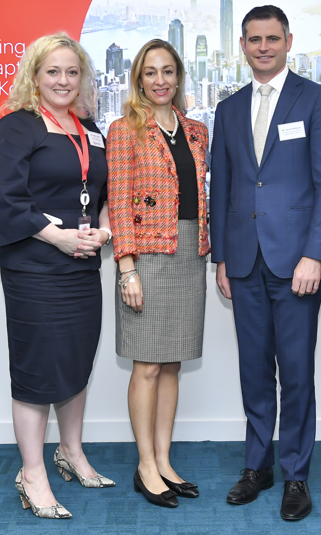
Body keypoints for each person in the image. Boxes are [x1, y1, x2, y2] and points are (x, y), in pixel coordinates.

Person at [209, 6, 321, 521]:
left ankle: (296, 474)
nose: (263, 47)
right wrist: (221, 257)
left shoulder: (317, 100)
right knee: (252, 371)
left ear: (289, 41)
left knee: (295, 372)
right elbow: (222, 189)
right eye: (253, 40)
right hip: (243, 260)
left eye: (272, 38)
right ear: (241, 45)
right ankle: (256, 466)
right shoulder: (229, 108)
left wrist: (316, 253)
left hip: (297, 263)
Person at [0, 32, 116, 520]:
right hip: (35, 268)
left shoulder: (87, 126)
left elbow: (101, 188)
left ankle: (72, 452)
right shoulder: (18, 127)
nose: (63, 80)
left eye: (72, 71)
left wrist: (102, 229)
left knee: (77, 361)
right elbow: (7, 198)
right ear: (34, 76)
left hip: (82, 265)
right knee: (38, 370)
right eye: (53, 72)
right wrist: (58, 237)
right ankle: (32, 472)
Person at [106, 39, 210, 509]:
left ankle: (165, 461)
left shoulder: (195, 131)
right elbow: (119, 204)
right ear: (138, 79)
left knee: (172, 363)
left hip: (190, 252)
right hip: (145, 256)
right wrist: (126, 269)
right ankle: (145, 465)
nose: (161, 80)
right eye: (151, 72)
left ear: (179, 75)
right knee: (146, 364)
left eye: (168, 71)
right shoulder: (124, 129)